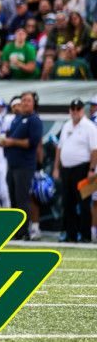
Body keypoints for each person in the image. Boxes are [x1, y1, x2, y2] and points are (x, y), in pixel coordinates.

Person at [54, 99, 97, 243]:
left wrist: (91, 169)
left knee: (84, 203)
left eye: (78, 109)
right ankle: (71, 234)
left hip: (82, 169)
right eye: (72, 109)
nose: (75, 112)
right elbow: (60, 148)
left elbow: (94, 150)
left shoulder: (89, 126)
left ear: (82, 111)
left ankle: (85, 235)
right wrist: (56, 167)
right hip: (67, 169)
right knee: (68, 203)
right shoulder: (66, 126)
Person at [3, 92, 43, 241]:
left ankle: (23, 231)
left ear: (34, 103)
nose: (25, 103)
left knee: (22, 199)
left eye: (28, 101)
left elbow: (32, 143)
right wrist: (6, 143)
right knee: (13, 199)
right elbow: (11, 138)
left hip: (25, 165)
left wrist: (11, 142)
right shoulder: (17, 119)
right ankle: (15, 230)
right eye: (23, 100)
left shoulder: (35, 120)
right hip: (12, 165)